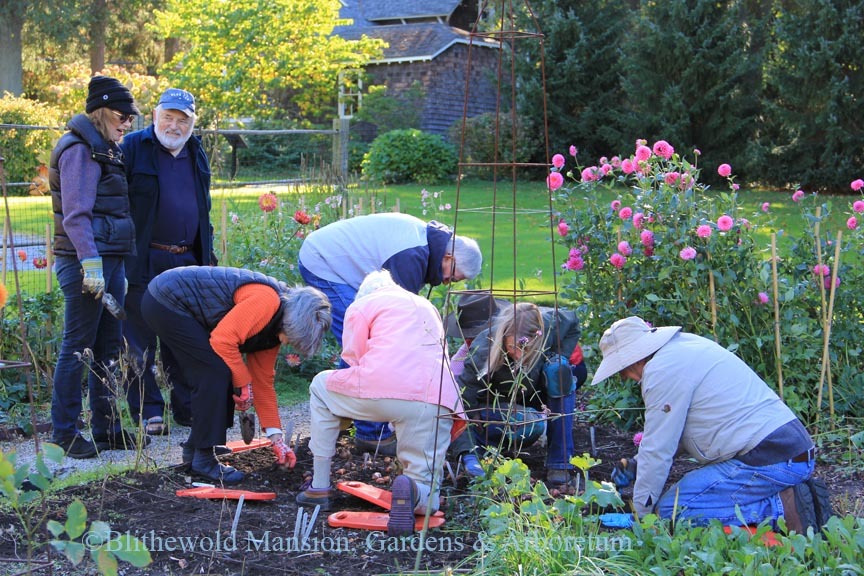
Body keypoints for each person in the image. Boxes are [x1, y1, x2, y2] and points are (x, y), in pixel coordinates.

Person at [592, 316, 831, 532]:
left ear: (635, 356)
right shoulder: (684, 347)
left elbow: (658, 451)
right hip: (790, 452)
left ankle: (782, 509)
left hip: (770, 460)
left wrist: (643, 518)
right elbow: (685, 430)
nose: (623, 377)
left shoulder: (661, 371)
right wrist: (636, 464)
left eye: (620, 369)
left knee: (671, 512)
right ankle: (789, 495)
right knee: (673, 504)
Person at [296, 270, 465, 537]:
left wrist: (346, 413)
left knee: (320, 386)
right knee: (428, 495)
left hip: (384, 389)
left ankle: (319, 487)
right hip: (438, 397)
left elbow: (354, 359)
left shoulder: (362, 305)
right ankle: (414, 492)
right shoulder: (425, 305)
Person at [298, 212, 482, 455]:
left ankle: (344, 414)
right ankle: (370, 434)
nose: (449, 282)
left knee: (370, 339)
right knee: (363, 339)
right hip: (324, 261)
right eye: (453, 276)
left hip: (338, 261)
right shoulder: (412, 256)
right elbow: (395, 328)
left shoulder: (425, 250)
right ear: (448, 257)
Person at [141, 265, 331, 484]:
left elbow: (263, 383)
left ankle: (195, 449)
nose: (289, 343)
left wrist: (276, 439)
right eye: (294, 337)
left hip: (174, 301)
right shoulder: (266, 301)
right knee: (215, 373)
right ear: (293, 322)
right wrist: (243, 382)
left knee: (219, 371)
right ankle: (204, 460)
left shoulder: (274, 329)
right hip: (167, 299)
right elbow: (223, 341)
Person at [48, 75, 148, 459]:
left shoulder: (104, 147)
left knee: (107, 346)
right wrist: (91, 263)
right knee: (77, 348)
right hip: (85, 263)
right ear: (102, 111)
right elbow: (76, 217)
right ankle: (65, 434)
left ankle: (106, 429)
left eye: (131, 118)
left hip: (110, 259)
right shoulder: (79, 149)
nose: (127, 123)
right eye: (122, 116)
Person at [120, 87, 216, 434]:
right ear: (155, 115)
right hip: (142, 259)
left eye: (182, 119)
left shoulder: (195, 151)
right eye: (168, 117)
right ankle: (148, 411)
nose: (174, 126)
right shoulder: (132, 148)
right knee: (138, 340)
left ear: (192, 122)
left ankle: (186, 407)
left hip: (187, 262)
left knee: (185, 337)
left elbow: (202, 209)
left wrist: (209, 257)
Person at [456, 301, 585, 485]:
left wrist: (558, 356)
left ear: (538, 336)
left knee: (559, 370)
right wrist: (468, 453)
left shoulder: (549, 326)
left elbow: (573, 323)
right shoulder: (485, 349)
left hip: (531, 394)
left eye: (525, 347)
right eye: (512, 347)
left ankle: (560, 461)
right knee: (532, 425)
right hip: (494, 409)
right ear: (504, 336)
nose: (518, 354)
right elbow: (461, 402)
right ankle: (482, 451)